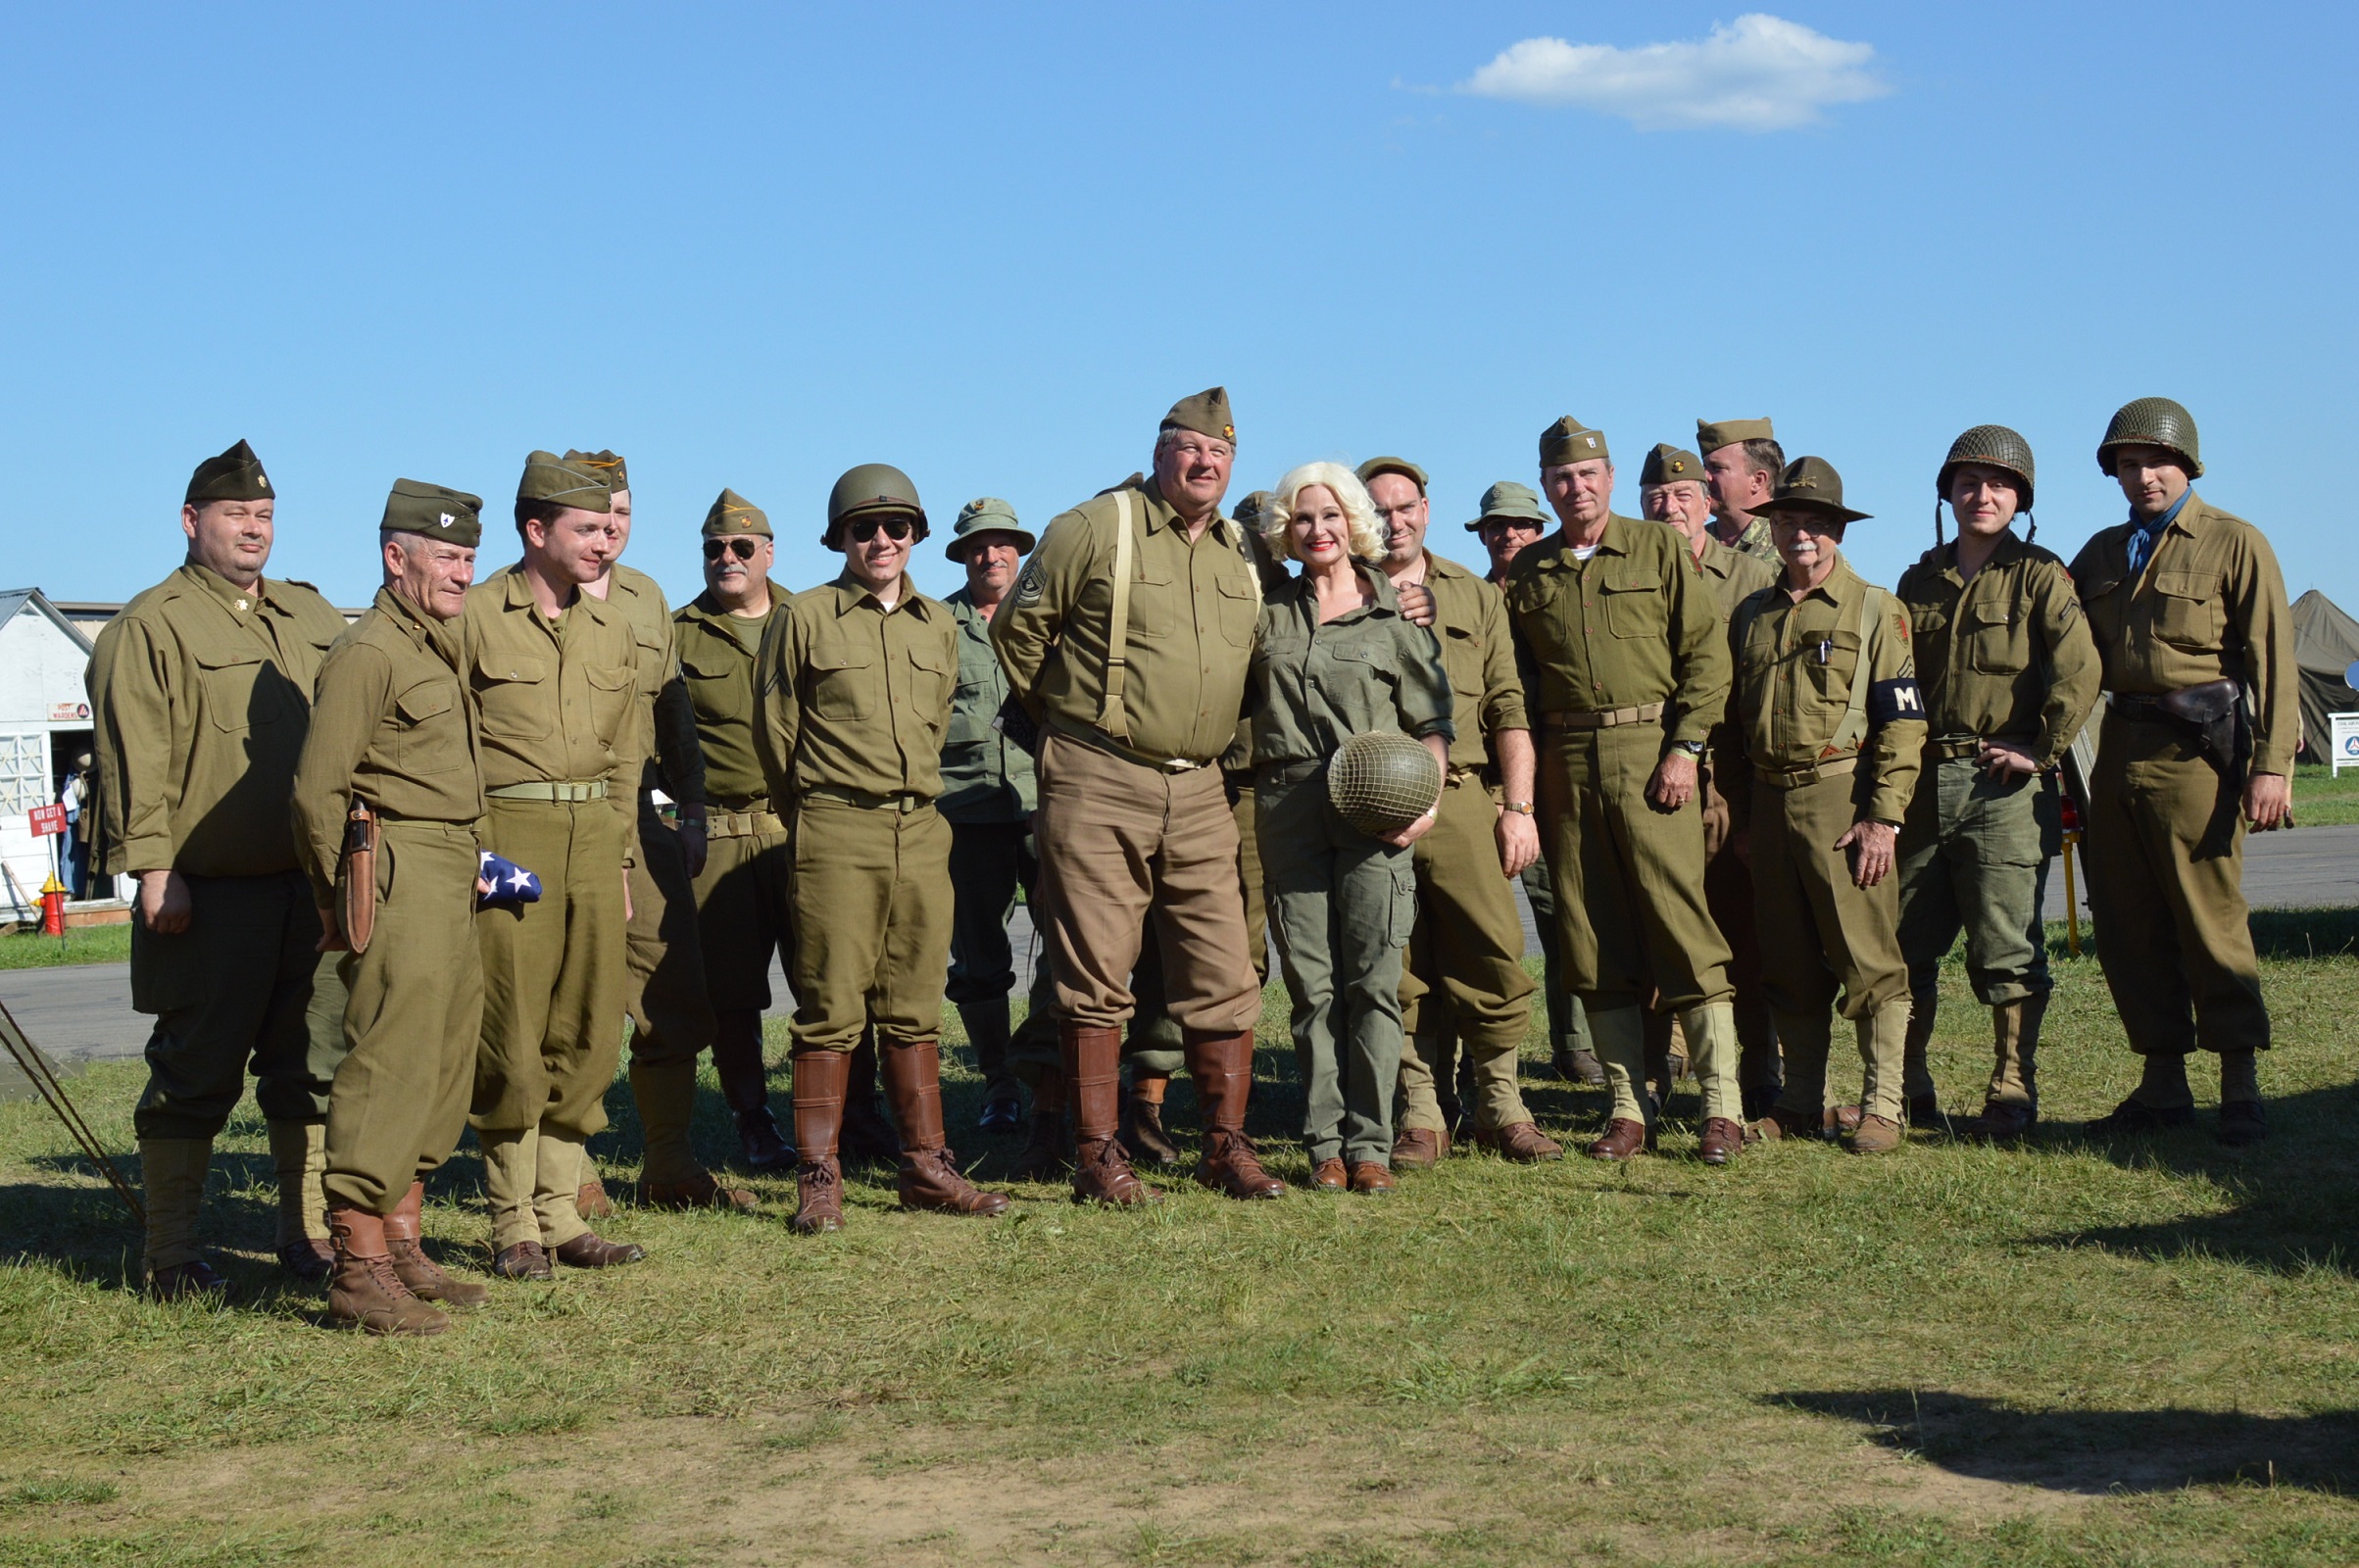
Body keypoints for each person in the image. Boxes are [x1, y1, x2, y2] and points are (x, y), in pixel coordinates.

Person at [990, 389, 1288, 1207]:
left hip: (1201, 785)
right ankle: (1095, 1155)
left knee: (1225, 967)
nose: (1205, 463)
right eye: (1190, 447)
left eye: (1220, 454)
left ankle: (1224, 1146)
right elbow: (1016, 632)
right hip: (1098, 774)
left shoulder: (1241, 551)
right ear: (1161, 452)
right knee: (1093, 973)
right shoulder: (1094, 526)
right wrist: (1069, 728)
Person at [85, 439, 351, 1298]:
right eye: (237, 515)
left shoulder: (310, 618)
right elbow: (135, 757)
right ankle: (172, 1253)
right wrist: (154, 869)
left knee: (308, 1067)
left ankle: (304, 1235)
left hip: (305, 890)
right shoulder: (151, 624)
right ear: (192, 522)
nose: (253, 530)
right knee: (194, 1072)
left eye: (265, 517)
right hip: (208, 894)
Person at [755, 464, 1010, 1233]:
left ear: (916, 537)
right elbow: (776, 734)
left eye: (896, 527)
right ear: (839, 537)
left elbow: (935, 724)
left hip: (922, 829)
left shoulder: (938, 623)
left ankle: (925, 1166)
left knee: (915, 1007)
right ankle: (819, 1176)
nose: (880, 540)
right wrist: (820, 810)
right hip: (835, 825)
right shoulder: (804, 616)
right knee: (830, 1008)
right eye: (863, 528)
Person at [1503, 418, 1745, 1165]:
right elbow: (1517, 684)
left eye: (1587, 475)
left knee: (1681, 926)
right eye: (1561, 478)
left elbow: (1706, 658)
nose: (1575, 488)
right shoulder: (1531, 571)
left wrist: (1685, 748)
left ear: (1608, 480)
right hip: (1565, 761)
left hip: (1652, 753)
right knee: (1589, 932)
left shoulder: (1658, 548)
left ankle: (1721, 1108)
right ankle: (1624, 1108)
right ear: (1546, 487)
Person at [290, 479, 494, 1335]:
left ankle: (402, 1242)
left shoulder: (436, 644)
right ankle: (358, 1266)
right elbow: (315, 791)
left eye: (469, 558)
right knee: (388, 1059)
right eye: (446, 556)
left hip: (452, 862)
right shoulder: (370, 650)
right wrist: (337, 899)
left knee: (444, 1055)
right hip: (398, 862)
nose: (461, 572)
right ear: (395, 557)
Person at [2070, 398, 2296, 1145]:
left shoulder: (2234, 543)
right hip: (2118, 752)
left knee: (2208, 918)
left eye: (2155, 462)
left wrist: (2271, 769)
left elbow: (2274, 661)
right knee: (2127, 924)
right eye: (2127, 466)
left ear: (2186, 465)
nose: (2142, 477)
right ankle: (2161, 1082)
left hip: (2198, 753)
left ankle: (2239, 1084)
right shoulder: (2100, 554)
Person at [463, 451, 649, 1278]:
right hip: (509, 838)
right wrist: (471, 850)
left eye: (608, 528)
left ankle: (564, 1213)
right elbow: (444, 745)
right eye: (584, 529)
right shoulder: (470, 617)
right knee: (514, 1031)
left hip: (593, 838)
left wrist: (618, 855)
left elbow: (626, 756)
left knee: (588, 1026)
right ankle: (512, 1225)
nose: (603, 542)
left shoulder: (613, 627)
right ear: (535, 530)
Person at [1890, 427, 2100, 1139]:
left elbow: (2080, 671)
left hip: (2002, 788)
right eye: (1968, 483)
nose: (1983, 496)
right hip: (1921, 782)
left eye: (1999, 485)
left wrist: (2039, 751)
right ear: (1947, 493)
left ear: (2020, 498)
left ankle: (2010, 1087)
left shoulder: (2041, 575)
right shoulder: (1916, 581)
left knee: (2007, 947)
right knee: (1902, 940)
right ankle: (1903, 1082)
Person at [1252, 464, 1452, 1193]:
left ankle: (1370, 1144)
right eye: (1303, 519)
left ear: (1353, 524)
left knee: (1371, 982)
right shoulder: (1266, 612)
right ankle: (1322, 1146)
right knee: (1311, 986)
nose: (1318, 530)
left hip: (1374, 809)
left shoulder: (1395, 618)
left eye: (1330, 516)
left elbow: (1433, 723)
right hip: (1287, 808)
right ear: (1286, 529)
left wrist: (1423, 805)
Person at [1360, 456, 1558, 1167]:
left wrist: (1518, 807)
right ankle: (1421, 1110)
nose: (1394, 521)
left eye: (1405, 506)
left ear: (1426, 509)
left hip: (1466, 796)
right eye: (1378, 509)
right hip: (1373, 806)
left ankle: (1500, 1104)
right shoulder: (1334, 590)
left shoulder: (1474, 596)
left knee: (1492, 949)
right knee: (1397, 961)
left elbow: (1508, 704)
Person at [1727, 458, 1926, 1154]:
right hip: (1769, 801)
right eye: (1787, 521)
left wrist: (1883, 816)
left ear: (1837, 530)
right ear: (1770, 527)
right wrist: (1745, 820)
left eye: (1815, 523)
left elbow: (1902, 722)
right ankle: (1801, 1101)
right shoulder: (1750, 615)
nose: (1800, 535)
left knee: (1868, 959)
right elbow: (1733, 724)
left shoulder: (1875, 609)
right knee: (1785, 961)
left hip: (1841, 798)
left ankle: (1884, 1107)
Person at [567, 450, 730, 1217]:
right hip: (558, 821)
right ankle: (566, 1171)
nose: (612, 532)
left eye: (623, 515)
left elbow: (675, 713)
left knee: (671, 992)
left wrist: (690, 807)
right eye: (597, 517)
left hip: (639, 815)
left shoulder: (644, 597)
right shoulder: (512, 598)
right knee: (567, 1002)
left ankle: (668, 1159)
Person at [655, 489, 800, 1197]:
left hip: (804, 829)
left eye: (742, 548)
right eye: (715, 548)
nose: (727, 559)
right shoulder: (679, 633)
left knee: (828, 981)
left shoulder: (810, 620)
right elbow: (656, 738)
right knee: (734, 996)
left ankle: (850, 1117)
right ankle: (753, 1117)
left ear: (769, 554)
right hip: (723, 833)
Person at [1638, 443, 1783, 1119]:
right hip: (1649, 769)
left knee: (1738, 933)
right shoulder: (1630, 569)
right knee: (1654, 926)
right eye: (1655, 498)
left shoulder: (1752, 576)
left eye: (1682, 496)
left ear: (1706, 501)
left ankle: (1758, 1072)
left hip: (1728, 770)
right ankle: (1653, 1070)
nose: (1668, 508)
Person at [1466, 481, 1601, 1091]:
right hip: (1475, 780)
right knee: (1475, 923)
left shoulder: (1547, 592)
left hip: (1539, 778)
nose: (1509, 535)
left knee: (1562, 913)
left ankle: (1575, 1044)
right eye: (1497, 527)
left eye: (1521, 525)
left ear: (1538, 529)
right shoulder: (1463, 599)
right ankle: (1477, 1056)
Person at [938, 497, 1057, 1137]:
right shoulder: (932, 625)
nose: (991, 555)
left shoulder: (1052, 619)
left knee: (1067, 945)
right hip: (966, 812)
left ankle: (1051, 1075)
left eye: (1002, 543)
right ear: (961, 555)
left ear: (1020, 550)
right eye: (977, 546)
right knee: (978, 960)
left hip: (1047, 808)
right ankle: (998, 1083)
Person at [1696, 417, 1786, 564]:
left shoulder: (1791, 545)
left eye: (1717, 468)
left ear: (1757, 481)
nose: (1705, 476)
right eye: (1704, 467)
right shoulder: (1694, 543)